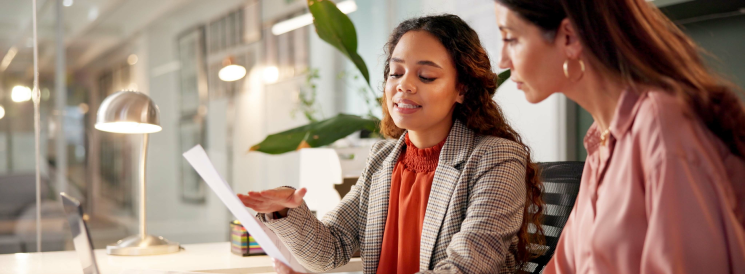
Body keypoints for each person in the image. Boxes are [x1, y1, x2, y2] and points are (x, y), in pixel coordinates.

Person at [238, 14, 544, 274]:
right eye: (395, 72)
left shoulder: (496, 157)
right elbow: (331, 249)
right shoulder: (383, 158)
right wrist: (284, 210)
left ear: (461, 89)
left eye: (425, 76)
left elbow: (467, 267)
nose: (403, 85)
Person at [493, 0, 745, 273]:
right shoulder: (601, 139)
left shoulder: (660, 126)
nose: (503, 60)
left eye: (511, 38)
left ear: (569, 37)